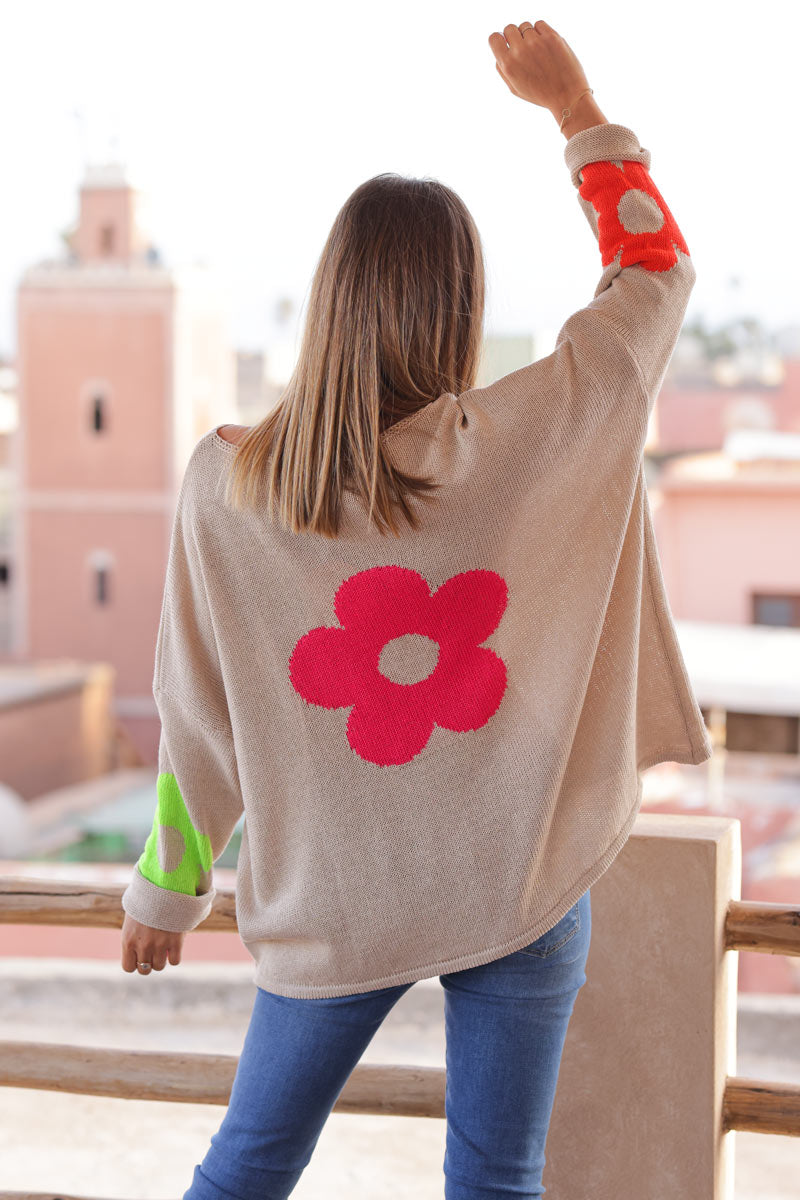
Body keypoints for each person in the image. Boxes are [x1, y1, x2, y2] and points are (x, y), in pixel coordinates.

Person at [120, 17, 712, 1200]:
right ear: (459, 302)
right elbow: (654, 273)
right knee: (498, 1184)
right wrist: (571, 102)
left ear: (328, 299)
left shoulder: (227, 485)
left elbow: (197, 717)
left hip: (329, 903)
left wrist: (164, 893)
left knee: (245, 1168)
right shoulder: (530, 438)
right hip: (517, 885)